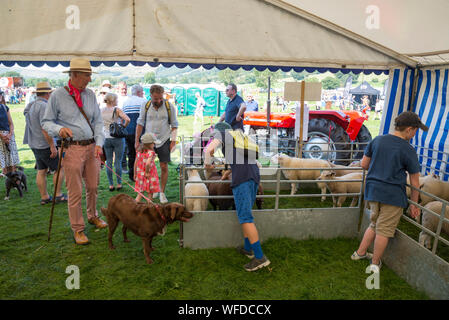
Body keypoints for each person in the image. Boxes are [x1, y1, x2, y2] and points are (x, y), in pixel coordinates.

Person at [42, 57, 107, 245]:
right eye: (87, 75)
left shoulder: (90, 95)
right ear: (75, 75)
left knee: (93, 186)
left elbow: (98, 122)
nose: (89, 79)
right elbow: (46, 122)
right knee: (75, 191)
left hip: (92, 147)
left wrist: (99, 143)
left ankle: (93, 215)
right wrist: (58, 130)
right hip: (71, 149)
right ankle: (78, 229)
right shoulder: (57, 96)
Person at [352, 111, 428, 272]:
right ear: (409, 129)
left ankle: (359, 253)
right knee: (384, 230)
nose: (414, 135)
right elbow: (415, 181)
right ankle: (374, 263)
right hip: (392, 196)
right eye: (415, 131)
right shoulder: (408, 150)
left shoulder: (378, 140)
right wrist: (414, 204)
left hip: (372, 192)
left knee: (374, 224)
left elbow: (364, 164)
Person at [204, 122, 270, 272]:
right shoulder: (237, 137)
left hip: (242, 179)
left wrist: (208, 164)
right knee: (245, 213)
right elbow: (238, 160)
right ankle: (248, 249)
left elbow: (209, 150)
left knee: (245, 217)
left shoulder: (222, 134)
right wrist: (227, 172)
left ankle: (260, 257)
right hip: (254, 176)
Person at [23, 82, 67, 205]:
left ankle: (45, 197)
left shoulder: (31, 105)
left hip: (34, 143)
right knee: (59, 168)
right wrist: (52, 146)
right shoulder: (43, 106)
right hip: (44, 144)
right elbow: (45, 128)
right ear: (48, 93)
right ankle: (58, 195)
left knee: (41, 170)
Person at [135, 84, 178, 204]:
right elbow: (140, 123)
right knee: (147, 167)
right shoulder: (145, 105)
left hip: (164, 139)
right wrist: (136, 141)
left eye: (160, 98)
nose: (158, 101)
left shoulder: (169, 106)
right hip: (148, 141)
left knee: (164, 166)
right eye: (156, 99)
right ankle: (152, 189)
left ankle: (162, 192)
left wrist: (173, 142)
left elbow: (174, 125)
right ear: (150, 96)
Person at [101, 92, 130, 191]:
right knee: (117, 161)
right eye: (116, 99)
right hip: (117, 138)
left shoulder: (101, 110)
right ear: (113, 100)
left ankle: (110, 184)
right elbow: (128, 119)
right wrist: (122, 127)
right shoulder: (116, 110)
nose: (117, 101)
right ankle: (119, 183)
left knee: (108, 161)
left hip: (106, 138)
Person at [122, 84, 147, 181]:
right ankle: (142, 174)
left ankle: (132, 174)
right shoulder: (143, 101)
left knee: (131, 153)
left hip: (128, 132)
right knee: (142, 153)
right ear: (139, 92)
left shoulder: (125, 102)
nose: (142, 94)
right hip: (140, 132)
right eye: (142, 92)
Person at [134, 132, 161, 203]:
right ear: (149, 144)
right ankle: (149, 208)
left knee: (140, 193)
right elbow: (148, 163)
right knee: (150, 193)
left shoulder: (139, 151)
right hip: (149, 175)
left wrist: (135, 173)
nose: (154, 145)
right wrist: (146, 172)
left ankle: (134, 207)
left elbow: (135, 163)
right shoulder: (151, 153)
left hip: (140, 175)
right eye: (153, 143)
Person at [0, 92, 20, 175]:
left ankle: (14, 173)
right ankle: (5, 172)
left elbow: (11, 123)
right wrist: (2, 135)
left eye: (0, 94)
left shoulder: (5, 107)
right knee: (2, 154)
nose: (0, 96)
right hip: (1, 136)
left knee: (11, 153)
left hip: (9, 134)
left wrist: (10, 134)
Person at [116, 81, 129, 174]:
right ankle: (123, 166)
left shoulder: (129, 98)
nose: (124, 90)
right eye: (122, 89)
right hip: (120, 125)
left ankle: (130, 165)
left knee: (129, 146)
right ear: (118, 89)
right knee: (123, 147)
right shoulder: (116, 99)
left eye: (125, 88)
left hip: (129, 124)